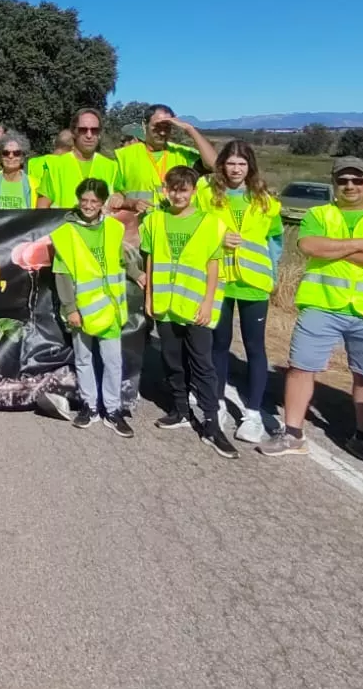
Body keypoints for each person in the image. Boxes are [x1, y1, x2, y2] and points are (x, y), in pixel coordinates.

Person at [258, 156, 363, 461]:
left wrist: (335, 250)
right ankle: (293, 434)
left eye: (357, 180)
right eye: (343, 180)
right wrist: (362, 244)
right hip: (321, 305)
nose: (350, 185)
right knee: (301, 367)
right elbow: (310, 246)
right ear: (334, 183)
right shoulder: (319, 214)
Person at [142, 166, 235, 458]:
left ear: (194, 191)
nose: (177, 195)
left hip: (196, 307)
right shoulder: (154, 221)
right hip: (166, 305)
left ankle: (211, 422)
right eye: (172, 189)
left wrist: (208, 302)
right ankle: (180, 410)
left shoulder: (211, 223)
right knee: (172, 361)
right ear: (165, 189)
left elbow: (213, 265)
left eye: (183, 189)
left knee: (202, 364)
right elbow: (151, 259)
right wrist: (149, 296)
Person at [196, 140, 282, 443]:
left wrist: (272, 275)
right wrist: (219, 241)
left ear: (250, 166)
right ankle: (216, 403)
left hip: (254, 283)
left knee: (255, 348)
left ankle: (253, 413)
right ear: (222, 165)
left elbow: (275, 241)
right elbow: (196, 230)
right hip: (219, 280)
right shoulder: (206, 194)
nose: (236, 169)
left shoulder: (265, 201)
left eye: (242, 164)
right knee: (219, 345)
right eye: (231, 163)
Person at [51, 178, 135, 436]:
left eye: (94, 201)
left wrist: (138, 274)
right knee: (84, 359)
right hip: (81, 309)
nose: (88, 205)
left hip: (109, 307)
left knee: (112, 361)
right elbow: (61, 274)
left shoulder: (113, 227)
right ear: (78, 200)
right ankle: (89, 406)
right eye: (84, 200)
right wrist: (70, 308)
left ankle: (112, 409)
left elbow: (121, 258)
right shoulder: (66, 232)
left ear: (102, 203)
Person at [115, 104, 218, 211]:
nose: (162, 132)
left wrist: (190, 129)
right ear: (144, 125)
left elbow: (214, 165)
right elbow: (112, 196)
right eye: (157, 127)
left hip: (174, 223)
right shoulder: (124, 156)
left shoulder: (182, 153)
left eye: (167, 128)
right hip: (141, 225)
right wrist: (130, 204)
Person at [39, 108, 124, 209]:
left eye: (94, 130)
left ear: (99, 134)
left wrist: (119, 197)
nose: (89, 135)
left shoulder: (112, 167)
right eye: (83, 130)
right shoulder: (54, 166)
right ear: (74, 132)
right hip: (65, 224)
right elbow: (42, 207)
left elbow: (119, 197)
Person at [0, 134, 40, 209]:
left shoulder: (36, 185)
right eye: (5, 153)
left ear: (22, 157)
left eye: (16, 153)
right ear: (0, 156)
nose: (10, 156)